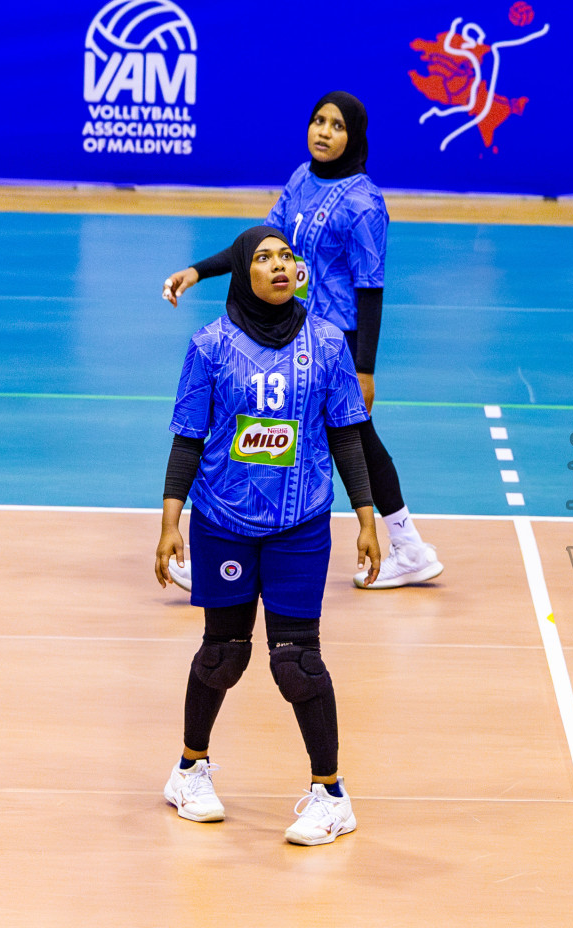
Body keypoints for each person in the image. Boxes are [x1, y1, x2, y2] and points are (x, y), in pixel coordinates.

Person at [155, 226, 382, 846]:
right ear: (243, 275)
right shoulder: (209, 347)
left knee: (298, 662)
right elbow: (187, 437)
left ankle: (330, 794)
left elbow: (345, 436)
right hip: (223, 521)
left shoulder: (328, 344)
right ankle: (189, 770)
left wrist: (367, 517)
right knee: (223, 653)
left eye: (286, 256)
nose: (279, 265)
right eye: (263, 258)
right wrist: (171, 521)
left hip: (300, 524)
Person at [161, 91, 442, 590]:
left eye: (336, 125)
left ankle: (406, 543)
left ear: (354, 136)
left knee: (353, 439)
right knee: (295, 433)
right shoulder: (301, 178)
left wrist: (365, 366)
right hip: (288, 332)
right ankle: (404, 544)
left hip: (335, 344)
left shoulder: (364, 203)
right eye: (317, 121)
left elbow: (371, 287)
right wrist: (198, 271)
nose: (323, 131)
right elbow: (258, 245)